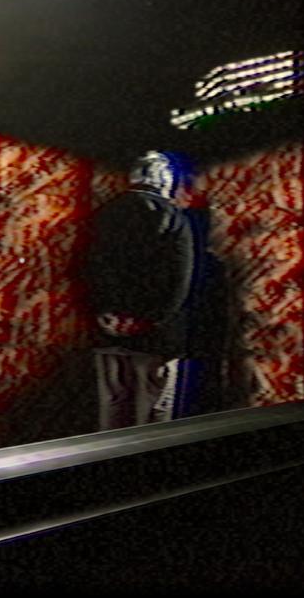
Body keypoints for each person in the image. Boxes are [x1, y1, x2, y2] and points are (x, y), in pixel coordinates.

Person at [84, 151, 201, 430]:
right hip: (155, 336)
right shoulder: (173, 218)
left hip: (107, 330)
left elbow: (88, 267)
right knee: (153, 412)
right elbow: (179, 279)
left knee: (112, 407)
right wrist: (151, 319)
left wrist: (106, 314)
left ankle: (108, 466)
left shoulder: (103, 213)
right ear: (163, 179)